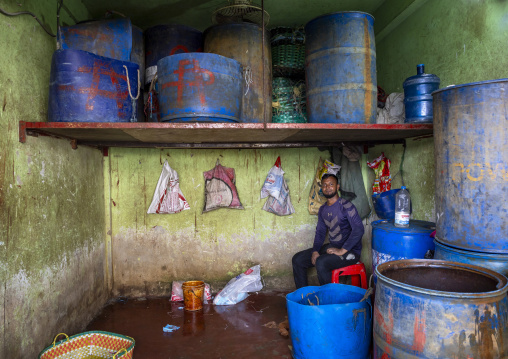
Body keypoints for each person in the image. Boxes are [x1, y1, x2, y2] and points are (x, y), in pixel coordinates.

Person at [292, 173, 364, 288]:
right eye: (324, 185)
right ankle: (303, 296)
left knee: (321, 262)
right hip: (333, 246)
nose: (327, 187)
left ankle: (328, 299)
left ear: (337, 187)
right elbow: (320, 232)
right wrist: (315, 251)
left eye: (331, 184)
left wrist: (341, 250)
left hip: (351, 252)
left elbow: (359, 230)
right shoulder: (323, 209)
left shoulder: (346, 206)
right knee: (298, 259)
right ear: (322, 188)